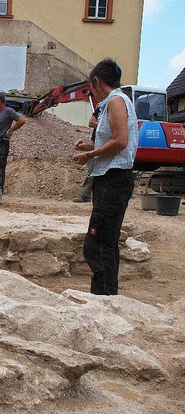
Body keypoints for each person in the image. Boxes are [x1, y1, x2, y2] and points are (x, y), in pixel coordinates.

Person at [73, 58, 139, 295]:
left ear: (97, 81)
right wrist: (90, 145)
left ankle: (103, 299)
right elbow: (114, 140)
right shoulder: (118, 101)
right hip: (110, 178)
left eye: (92, 88)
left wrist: (90, 154)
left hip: (113, 179)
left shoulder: (116, 102)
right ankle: (107, 296)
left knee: (97, 244)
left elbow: (120, 142)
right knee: (106, 244)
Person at [74, 105, 101, 202]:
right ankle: (86, 195)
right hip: (97, 143)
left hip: (101, 143)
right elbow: (91, 122)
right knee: (92, 171)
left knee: (93, 172)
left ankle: (86, 195)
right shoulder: (101, 108)